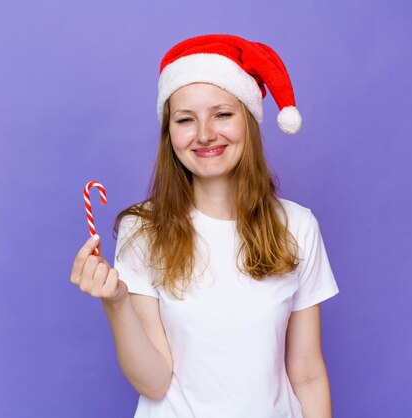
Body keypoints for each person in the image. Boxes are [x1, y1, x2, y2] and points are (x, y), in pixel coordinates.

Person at [70, 34, 340, 418]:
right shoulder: (142, 229)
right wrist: (115, 303)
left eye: (222, 114)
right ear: (170, 135)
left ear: (247, 120)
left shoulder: (297, 226)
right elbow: (154, 381)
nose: (205, 134)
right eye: (185, 120)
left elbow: (308, 374)